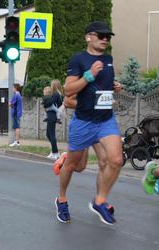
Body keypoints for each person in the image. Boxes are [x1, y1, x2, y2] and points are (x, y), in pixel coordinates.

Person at [55, 21, 123, 225]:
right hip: (84, 122)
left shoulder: (108, 59)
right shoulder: (79, 59)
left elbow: (103, 87)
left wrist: (113, 86)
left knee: (116, 160)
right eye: (100, 35)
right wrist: (89, 75)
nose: (105, 39)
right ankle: (62, 199)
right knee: (75, 166)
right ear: (88, 37)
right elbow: (68, 91)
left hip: (105, 120)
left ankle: (99, 201)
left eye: (108, 37)